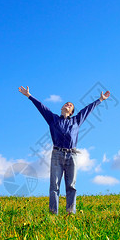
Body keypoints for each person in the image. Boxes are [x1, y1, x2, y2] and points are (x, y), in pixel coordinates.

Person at [18, 86, 110, 214]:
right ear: (62, 108)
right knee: (54, 186)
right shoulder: (53, 119)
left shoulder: (76, 120)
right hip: (57, 154)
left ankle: (70, 213)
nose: (68, 104)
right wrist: (29, 96)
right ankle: (53, 214)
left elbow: (87, 110)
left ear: (72, 111)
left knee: (71, 186)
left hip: (72, 155)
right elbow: (41, 107)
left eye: (71, 105)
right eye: (66, 104)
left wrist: (100, 99)